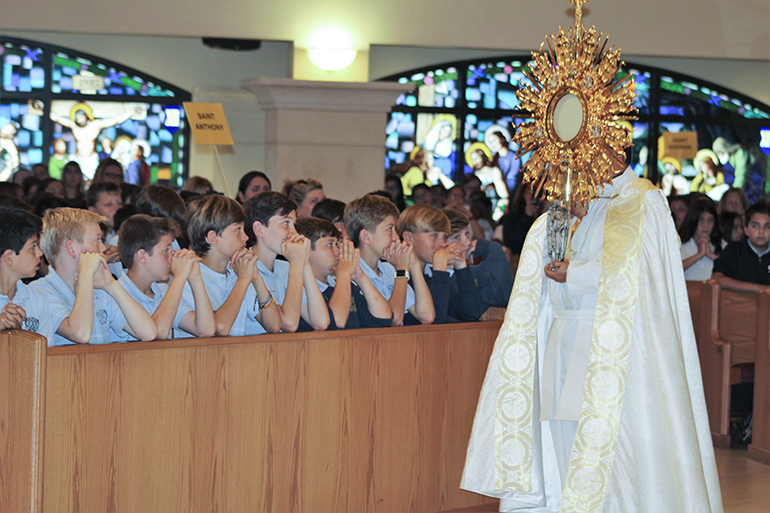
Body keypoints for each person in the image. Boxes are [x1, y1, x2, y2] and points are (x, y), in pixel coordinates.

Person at [462, 161, 723, 512]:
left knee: (605, 451)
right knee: (559, 438)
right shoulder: (571, 204)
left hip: (606, 345)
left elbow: (636, 271)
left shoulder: (642, 201)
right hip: (560, 338)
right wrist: (564, 220)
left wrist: (576, 273)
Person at [32, 208, 157, 345]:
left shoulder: (100, 289)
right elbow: (80, 334)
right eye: (97, 240)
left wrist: (110, 284)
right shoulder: (40, 291)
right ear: (71, 248)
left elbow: (148, 332)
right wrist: (85, 274)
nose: (103, 248)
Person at [184, 194, 280, 336]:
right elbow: (220, 327)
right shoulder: (189, 278)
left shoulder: (238, 272)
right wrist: (243, 280)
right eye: (237, 230)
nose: (246, 237)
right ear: (213, 238)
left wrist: (256, 278)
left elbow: (274, 325)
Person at [116, 214, 215, 340]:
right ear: (142, 256)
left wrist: (195, 277)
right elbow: (158, 332)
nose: (172, 256)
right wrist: (179, 277)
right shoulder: (116, 294)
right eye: (166, 250)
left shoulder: (161, 291)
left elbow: (206, 329)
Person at [244, 191, 329, 333]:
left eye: (294, 224)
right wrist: (297, 264)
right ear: (259, 229)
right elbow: (288, 323)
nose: (294, 233)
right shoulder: (244, 267)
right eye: (285, 223)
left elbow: (320, 322)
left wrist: (304, 262)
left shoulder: (285, 267)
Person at [344, 194, 434, 326]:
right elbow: (393, 320)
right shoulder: (352, 273)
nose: (396, 237)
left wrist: (413, 264)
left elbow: (427, 316)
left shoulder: (388, 269)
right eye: (389, 229)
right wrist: (402, 272)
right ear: (366, 236)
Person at [294, 217, 392, 330]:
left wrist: (361, 278)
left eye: (337, 244)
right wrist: (343, 275)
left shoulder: (342, 284)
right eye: (330, 245)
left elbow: (383, 318)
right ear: (306, 251)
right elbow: (336, 322)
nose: (337, 251)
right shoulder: (301, 289)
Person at [397, 204, 483, 323]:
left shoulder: (430, 275)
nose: (441, 243)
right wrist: (440, 268)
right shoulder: (398, 276)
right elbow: (435, 323)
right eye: (434, 235)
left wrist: (461, 267)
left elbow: (471, 314)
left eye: (445, 237)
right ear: (408, 237)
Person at [0, 207, 54, 345]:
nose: (40, 253)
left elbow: (47, 353)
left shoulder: (36, 298)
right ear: (9, 257)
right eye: (33, 247)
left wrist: (18, 334)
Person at [446, 208, 513, 311]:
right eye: (456, 237)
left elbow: (504, 298)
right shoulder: (432, 275)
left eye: (467, 233)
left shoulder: (475, 273)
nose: (467, 242)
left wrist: (491, 249)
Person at [50, 104, 142, 180]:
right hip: (78, 158)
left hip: (92, 160)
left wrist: (131, 113)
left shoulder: (96, 125)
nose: (78, 119)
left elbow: (116, 120)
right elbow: (58, 119)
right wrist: (43, 107)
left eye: (80, 117)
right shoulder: (74, 126)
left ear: (86, 115)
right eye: (76, 118)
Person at [712, 202, 770, 291]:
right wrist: (759, 289)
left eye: (767, 227)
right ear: (746, 230)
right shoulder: (734, 250)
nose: (761, 231)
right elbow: (717, 278)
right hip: (739, 303)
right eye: (755, 226)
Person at [680, 197, 721, 280]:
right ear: (692, 220)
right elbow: (671, 271)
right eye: (700, 219)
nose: (705, 225)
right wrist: (699, 255)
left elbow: (733, 272)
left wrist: (710, 255)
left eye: (710, 220)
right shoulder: (679, 245)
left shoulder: (722, 244)